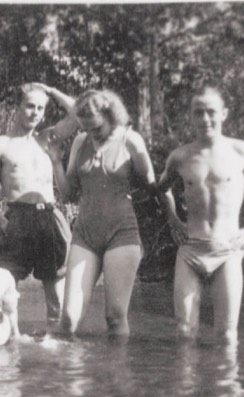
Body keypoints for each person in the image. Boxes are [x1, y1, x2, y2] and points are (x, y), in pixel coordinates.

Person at [157, 86, 244, 345]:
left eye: (211, 112)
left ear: (224, 114)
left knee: (227, 335)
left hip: (227, 250)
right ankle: (185, 374)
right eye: (198, 112)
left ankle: (225, 374)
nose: (205, 119)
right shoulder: (180, 157)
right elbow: (161, 189)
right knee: (184, 333)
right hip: (190, 251)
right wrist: (173, 220)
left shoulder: (241, 151)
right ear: (191, 116)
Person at [51, 89, 157, 337]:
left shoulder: (130, 141)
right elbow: (68, 194)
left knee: (115, 317)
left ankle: (117, 364)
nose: (92, 134)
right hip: (85, 235)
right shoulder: (80, 142)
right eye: (87, 129)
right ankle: (71, 364)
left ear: (111, 115)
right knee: (68, 319)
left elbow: (153, 187)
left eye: (97, 128)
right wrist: (55, 161)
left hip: (121, 234)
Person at [0, 82, 79, 326]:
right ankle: (11, 341)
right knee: (6, 294)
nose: (35, 112)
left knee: (56, 300)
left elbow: (79, 114)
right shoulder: (0, 145)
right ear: (17, 107)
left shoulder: (46, 139)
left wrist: (52, 91)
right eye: (30, 106)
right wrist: (4, 223)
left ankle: (54, 345)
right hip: (17, 218)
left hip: (49, 218)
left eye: (40, 108)